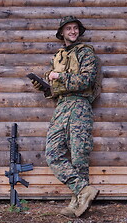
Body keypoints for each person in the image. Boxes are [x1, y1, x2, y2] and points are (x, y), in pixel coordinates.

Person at [30, 15, 101, 217]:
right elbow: (55, 90)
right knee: (53, 154)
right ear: (61, 32)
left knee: (79, 156)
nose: (72, 31)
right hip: (62, 106)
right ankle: (83, 190)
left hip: (79, 105)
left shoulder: (86, 53)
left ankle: (78, 204)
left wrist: (59, 77)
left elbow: (86, 80)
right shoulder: (58, 56)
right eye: (68, 28)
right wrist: (45, 87)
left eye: (75, 28)